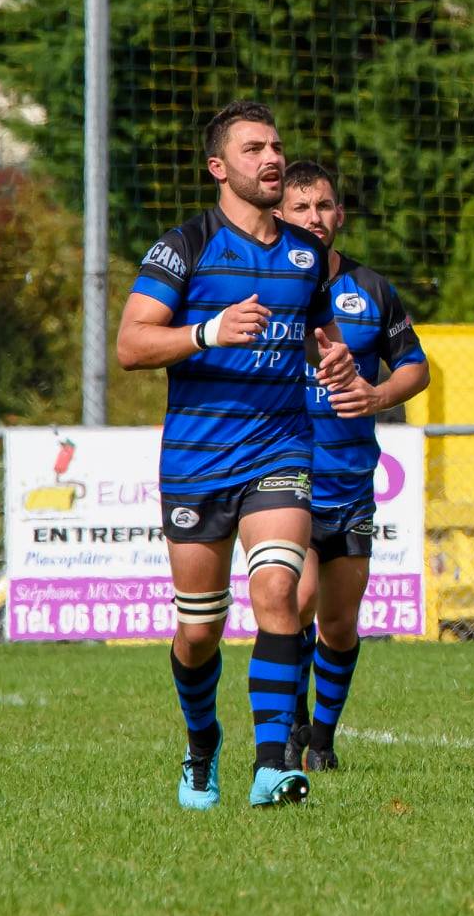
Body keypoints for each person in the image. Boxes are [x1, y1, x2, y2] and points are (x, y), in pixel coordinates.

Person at [116, 100, 356, 810]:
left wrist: (335, 359)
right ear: (219, 167)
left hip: (281, 448)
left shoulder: (306, 255)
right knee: (198, 631)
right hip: (197, 460)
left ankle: (273, 764)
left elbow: (321, 335)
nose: (272, 158)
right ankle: (201, 746)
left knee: (279, 592)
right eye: (254, 149)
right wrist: (208, 331)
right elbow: (131, 343)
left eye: (275, 145)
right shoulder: (184, 246)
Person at [273, 161, 430, 771]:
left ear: (339, 214)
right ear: (280, 215)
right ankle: (289, 728)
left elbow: (415, 366)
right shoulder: (263, 286)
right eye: (301, 207)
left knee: (338, 624)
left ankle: (322, 740)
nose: (315, 217)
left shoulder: (372, 289)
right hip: (286, 476)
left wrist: (377, 395)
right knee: (296, 600)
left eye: (324, 206)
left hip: (352, 482)